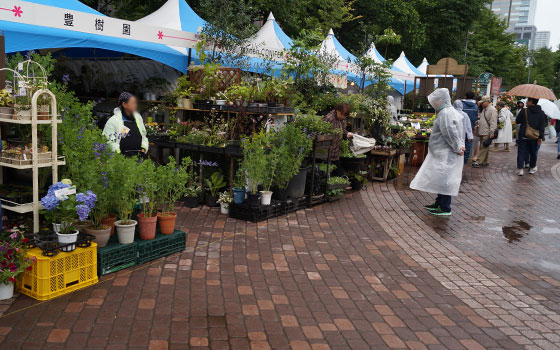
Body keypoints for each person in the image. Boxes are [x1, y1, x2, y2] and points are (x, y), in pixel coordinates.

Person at [410, 89, 465, 216]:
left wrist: (457, 147)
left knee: (446, 179)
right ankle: (439, 203)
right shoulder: (447, 112)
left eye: (434, 101)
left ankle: (445, 207)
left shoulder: (446, 113)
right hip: (444, 152)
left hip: (446, 153)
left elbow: (450, 133)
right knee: (442, 178)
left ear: (440, 100)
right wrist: (459, 146)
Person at [103, 92, 149, 157]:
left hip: (138, 157)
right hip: (121, 160)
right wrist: (119, 152)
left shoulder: (138, 118)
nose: (136, 105)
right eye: (133, 103)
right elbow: (108, 140)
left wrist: (143, 148)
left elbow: (143, 135)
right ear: (124, 104)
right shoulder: (113, 121)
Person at [515, 97, 547, 176]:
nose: (526, 102)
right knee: (533, 152)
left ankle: (521, 170)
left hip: (523, 135)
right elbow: (542, 126)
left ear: (531, 101)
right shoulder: (541, 113)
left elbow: (517, 121)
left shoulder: (524, 110)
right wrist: (541, 137)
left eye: (527, 101)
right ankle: (532, 168)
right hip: (535, 136)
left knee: (521, 152)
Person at [323, 103, 354, 176]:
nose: (343, 117)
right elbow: (322, 133)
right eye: (341, 114)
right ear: (337, 110)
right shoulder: (329, 118)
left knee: (337, 170)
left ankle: (339, 183)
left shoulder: (342, 120)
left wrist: (347, 133)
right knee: (326, 171)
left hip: (335, 152)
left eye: (345, 116)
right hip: (326, 152)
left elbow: (343, 130)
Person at [472, 96, 497, 168]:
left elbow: (493, 122)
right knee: (485, 146)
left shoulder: (492, 110)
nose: (482, 104)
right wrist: (478, 122)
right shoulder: (485, 109)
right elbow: (483, 119)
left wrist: (492, 131)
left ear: (487, 102)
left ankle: (479, 161)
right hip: (482, 130)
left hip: (487, 131)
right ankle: (485, 161)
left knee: (483, 146)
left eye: (483, 102)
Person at [462, 92, 478, 163]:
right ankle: (465, 159)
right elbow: (475, 117)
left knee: (460, 142)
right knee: (468, 143)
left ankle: (459, 158)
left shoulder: (462, 104)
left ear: (465, 96)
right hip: (470, 127)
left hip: (461, 126)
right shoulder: (475, 106)